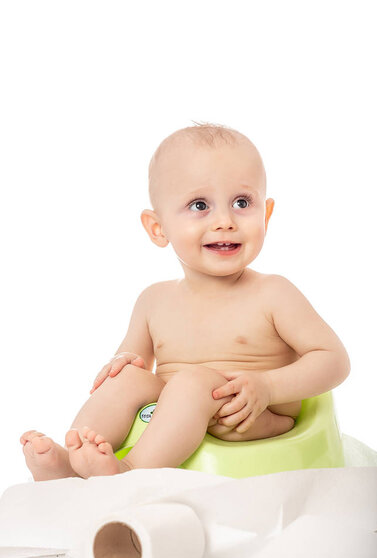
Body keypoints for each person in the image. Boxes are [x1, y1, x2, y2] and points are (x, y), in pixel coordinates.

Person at [20, 122, 351, 481]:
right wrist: (123, 362)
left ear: (266, 215)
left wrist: (268, 387)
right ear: (158, 228)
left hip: (253, 415)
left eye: (242, 202)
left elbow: (334, 360)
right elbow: (134, 362)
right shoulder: (153, 300)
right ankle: (75, 457)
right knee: (128, 379)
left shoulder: (274, 293)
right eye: (199, 205)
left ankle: (129, 470)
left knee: (192, 382)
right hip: (179, 411)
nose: (224, 221)